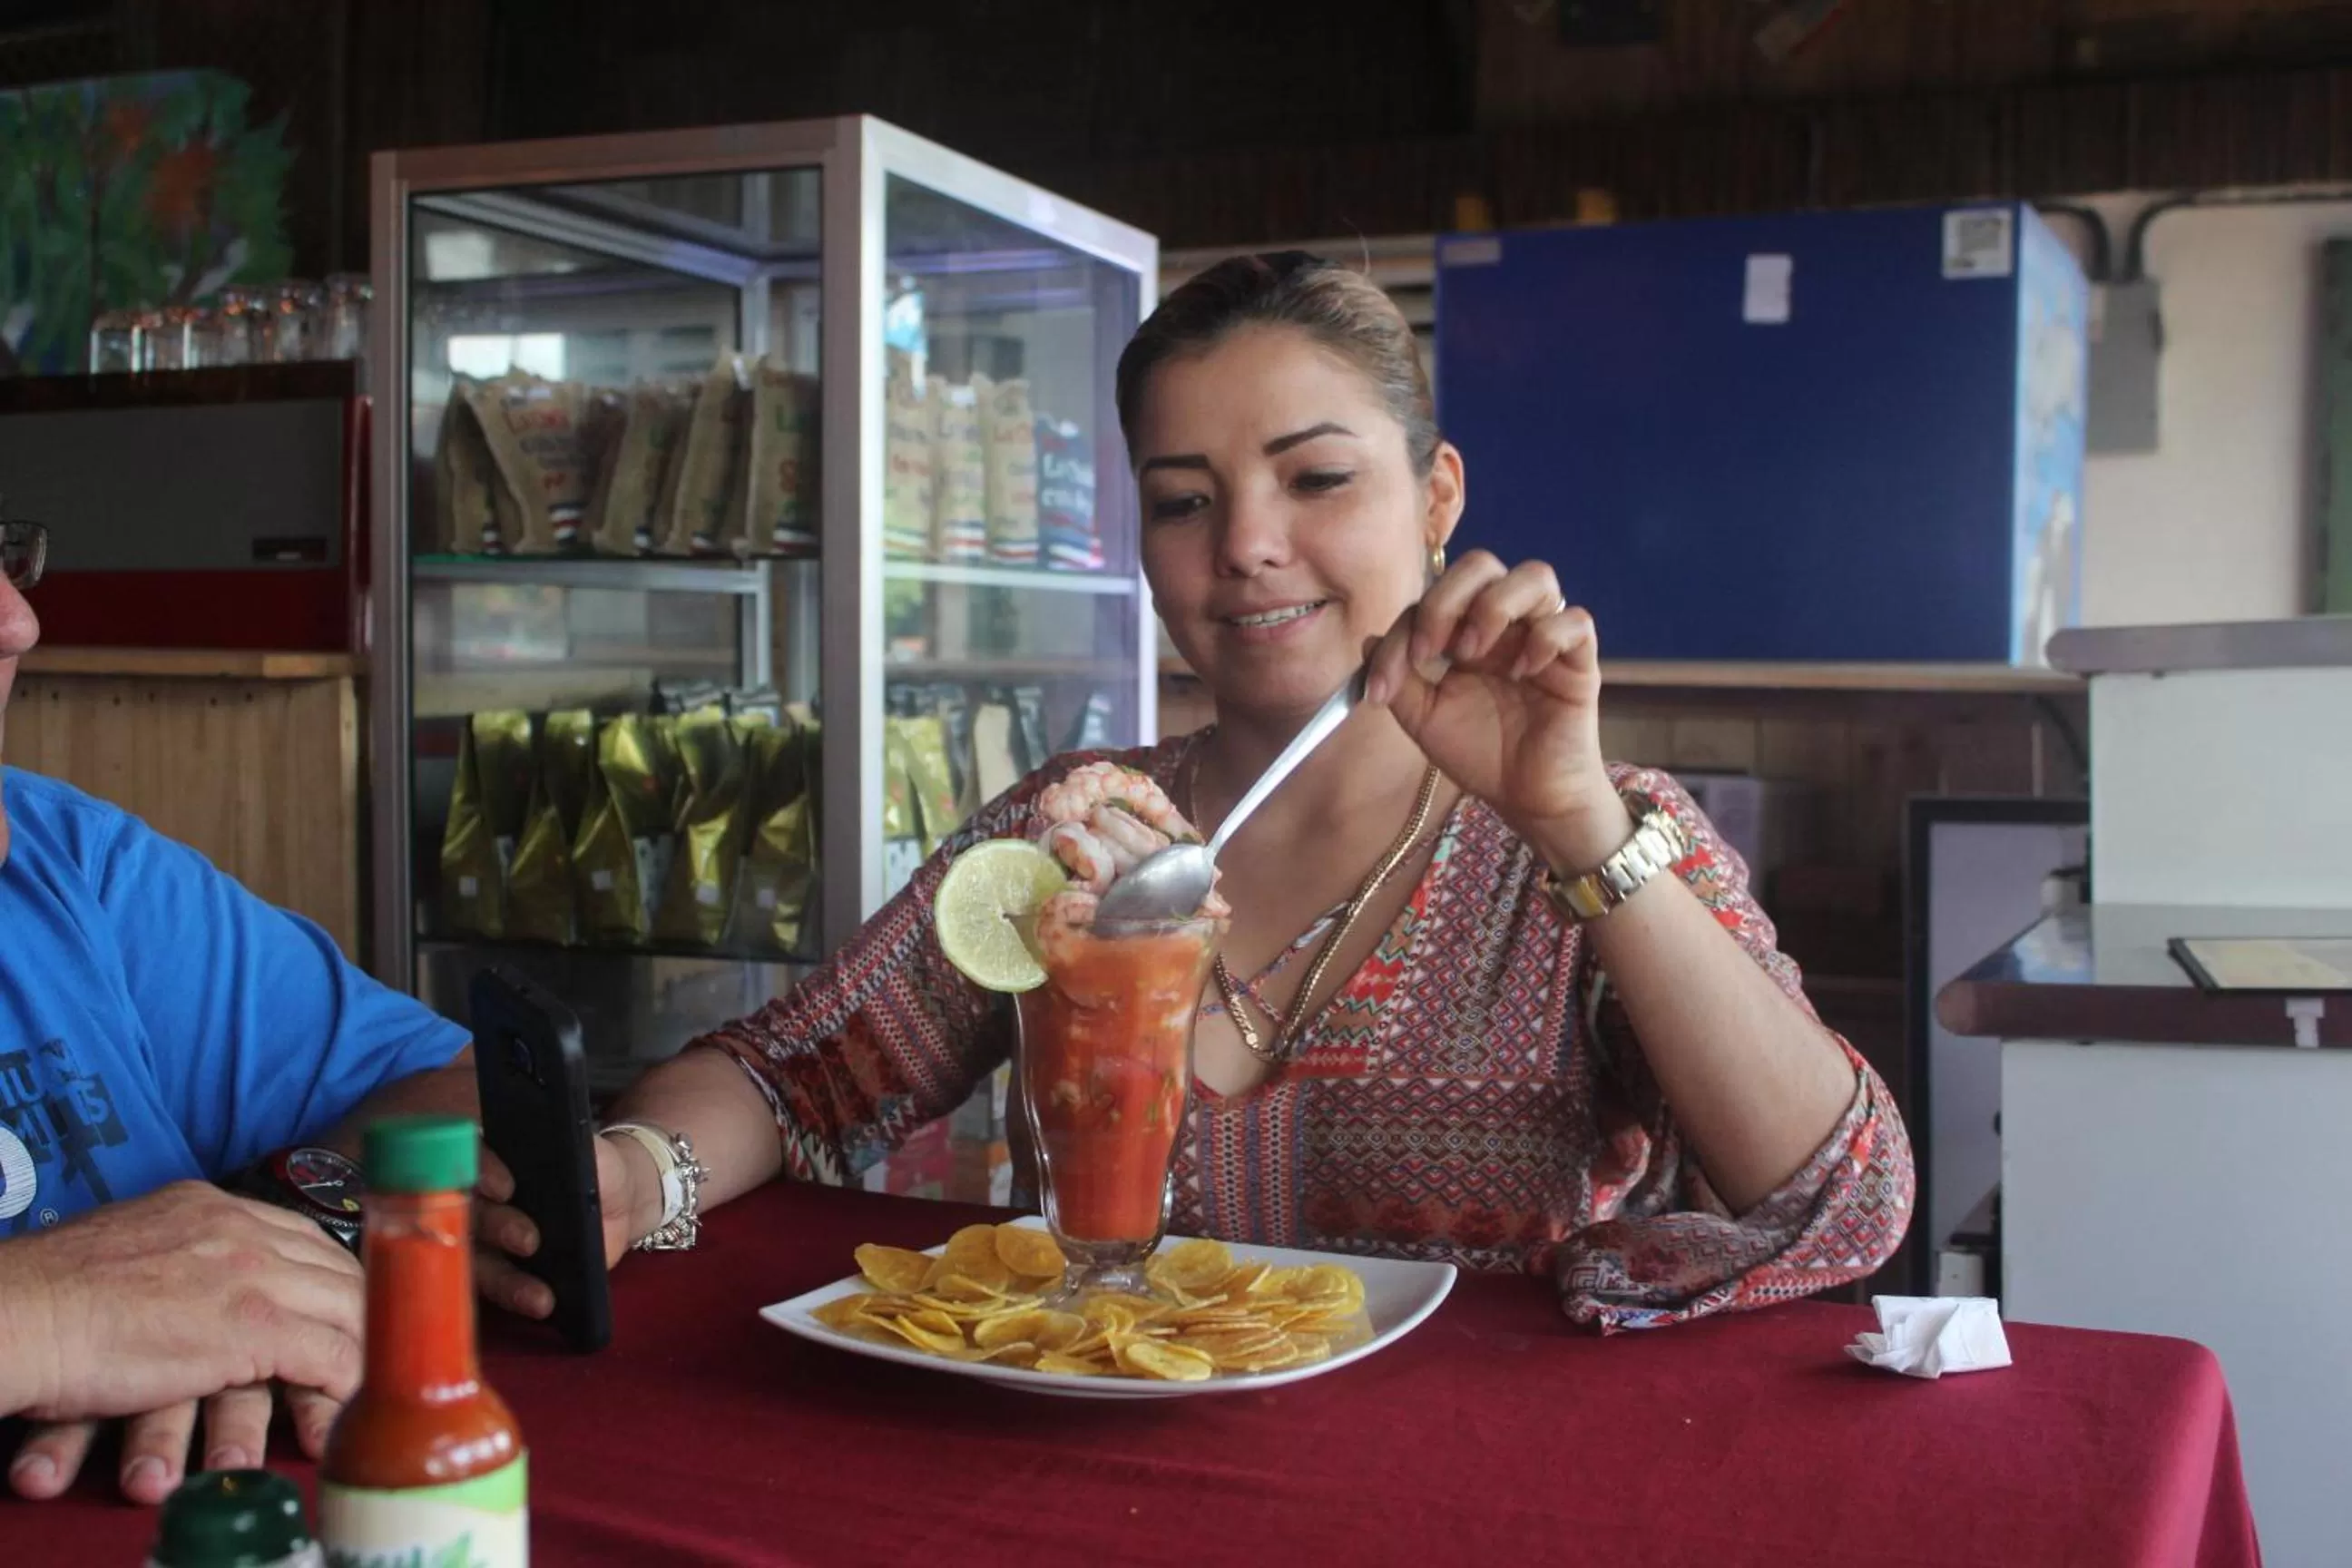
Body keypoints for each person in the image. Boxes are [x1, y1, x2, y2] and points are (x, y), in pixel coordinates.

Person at [568, 252, 1913, 1326]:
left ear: (1437, 496)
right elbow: (797, 1076)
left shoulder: (1590, 842)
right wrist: (639, 1172)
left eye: (1317, 479)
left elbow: (1841, 1208)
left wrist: (1569, 816)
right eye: (1183, 502)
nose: (1250, 548)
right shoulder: (1077, 836)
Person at [0, 519, 513, 1505]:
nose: (19, 625)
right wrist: (48, 1315)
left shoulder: (69, 863)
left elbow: (464, 1093)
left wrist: (249, 1262)